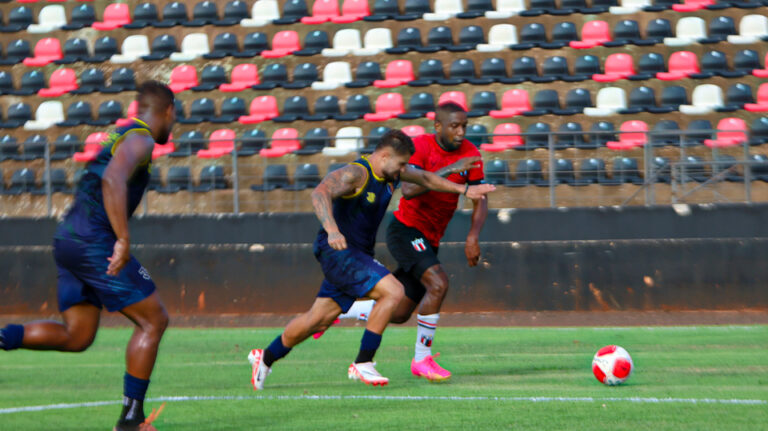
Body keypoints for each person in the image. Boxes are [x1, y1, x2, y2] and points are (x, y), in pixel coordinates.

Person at [248, 130, 494, 389]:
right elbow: (319, 193)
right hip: (338, 251)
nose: (403, 170)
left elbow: (424, 177)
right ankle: (364, 362)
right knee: (393, 291)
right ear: (385, 155)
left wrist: (465, 189)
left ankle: (266, 357)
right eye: (400, 164)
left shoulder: (391, 172)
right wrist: (332, 229)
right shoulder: (357, 174)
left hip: (356, 254)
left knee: (317, 319)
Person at [0, 81, 176, 431]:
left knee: (78, 335)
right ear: (168, 111)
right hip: (94, 241)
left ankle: (3, 336)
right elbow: (113, 180)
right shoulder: (140, 139)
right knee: (153, 320)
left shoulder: (122, 134)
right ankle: (131, 421)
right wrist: (123, 240)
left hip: (68, 237)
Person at [386, 102, 487, 382]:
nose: (461, 131)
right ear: (438, 126)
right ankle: (422, 360)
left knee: (399, 311)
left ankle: (339, 308)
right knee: (439, 283)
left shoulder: (471, 153)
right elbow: (408, 190)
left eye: (464, 126)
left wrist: (473, 235)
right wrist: (453, 168)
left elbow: (480, 196)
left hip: (430, 238)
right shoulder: (420, 146)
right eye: (455, 126)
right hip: (405, 229)